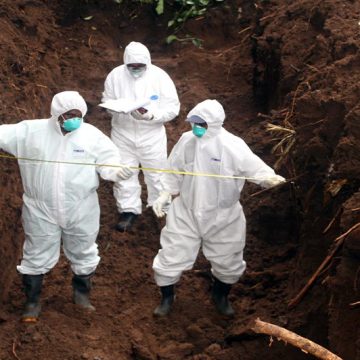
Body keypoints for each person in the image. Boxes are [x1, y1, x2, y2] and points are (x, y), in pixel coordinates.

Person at [0, 91, 133, 322]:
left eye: (79, 115)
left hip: (81, 207)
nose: (75, 119)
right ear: (56, 115)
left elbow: (108, 161)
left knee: (84, 250)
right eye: (69, 115)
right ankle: (32, 302)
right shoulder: (29, 132)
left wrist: (116, 171)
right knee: (35, 253)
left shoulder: (91, 136)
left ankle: (81, 295)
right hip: (40, 208)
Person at [151, 99, 286, 317]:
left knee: (229, 260)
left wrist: (267, 178)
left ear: (213, 124)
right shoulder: (187, 141)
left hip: (224, 217)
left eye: (201, 124)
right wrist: (166, 193)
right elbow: (172, 169)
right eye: (193, 123)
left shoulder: (232, 146)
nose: (195, 128)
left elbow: (254, 167)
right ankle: (167, 297)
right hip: (186, 212)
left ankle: (220, 296)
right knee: (170, 256)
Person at [102, 41, 180, 232]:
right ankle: (128, 210)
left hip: (151, 135)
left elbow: (173, 108)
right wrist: (119, 110)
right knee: (125, 172)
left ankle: (160, 207)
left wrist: (152, 116)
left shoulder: (160, 77)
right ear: (126, 63)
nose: (136, 69)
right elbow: (107, 100)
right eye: (132, 67)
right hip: (123, 133)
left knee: (157, 172)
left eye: (140, 66)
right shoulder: (115, 76)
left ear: (148, 63)